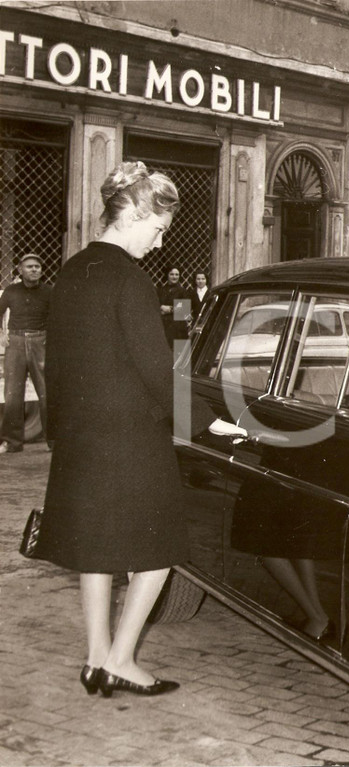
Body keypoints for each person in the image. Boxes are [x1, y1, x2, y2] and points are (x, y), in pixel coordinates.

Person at [32, 161, 215, 698]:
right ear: (134, 213)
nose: (159, 245)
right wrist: (209, 423)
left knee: (97, 551)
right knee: (159, 552)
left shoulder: (70, 271)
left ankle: (93, 658)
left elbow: (55, 362)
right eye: (158, 230)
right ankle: (121, 659)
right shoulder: (131, 280)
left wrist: (57, 432)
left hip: (81, 438)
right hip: (131, 439)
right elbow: (157, 371)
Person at [0, 253, 52, 453]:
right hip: (16, 342)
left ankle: (53, 440)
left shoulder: (49, 291)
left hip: (41, 342)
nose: (34, 270)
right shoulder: (11, 291)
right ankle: (12, 442)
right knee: (12, 394)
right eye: (29, 267)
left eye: (37, 267)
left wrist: (51, 337)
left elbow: (57, 316)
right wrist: (2, 335)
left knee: (47, 392)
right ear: (20, 270)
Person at [158, 265, 191, 351]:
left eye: (177, 274)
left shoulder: (183, 291)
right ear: (167, 275)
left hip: (178, 329)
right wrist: (161, 307)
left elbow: (185, 310)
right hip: (164, 327)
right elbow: (155, 304)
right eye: (171, 274)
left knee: (178, 355)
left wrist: (168, 309)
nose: (174, 277)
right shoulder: (160, 290)